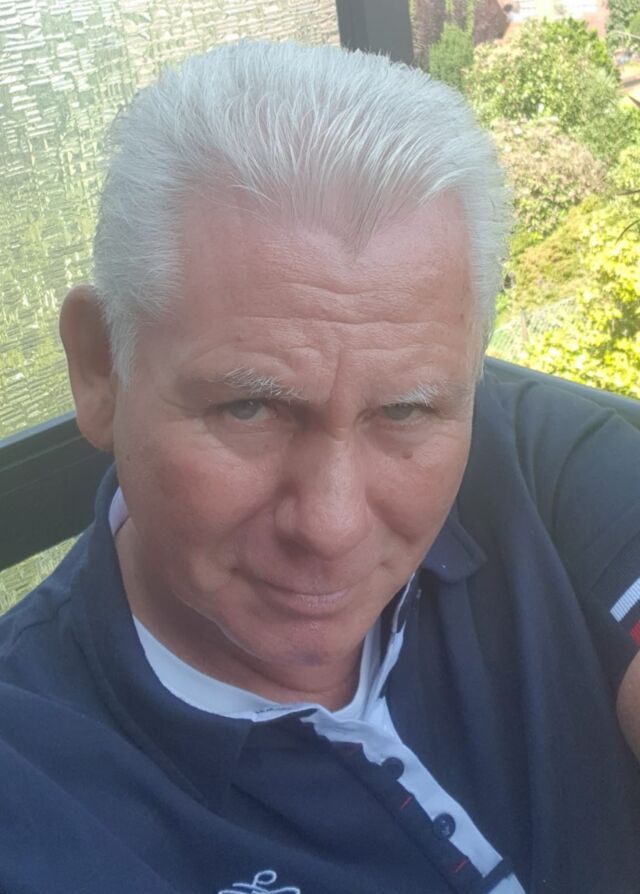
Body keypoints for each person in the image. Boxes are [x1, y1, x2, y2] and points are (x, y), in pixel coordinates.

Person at [0, 40, 639, 894]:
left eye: (405, 410)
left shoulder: (541, 459)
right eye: (249, 408)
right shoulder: (31, 789)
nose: (331, 527)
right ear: (99, 370)